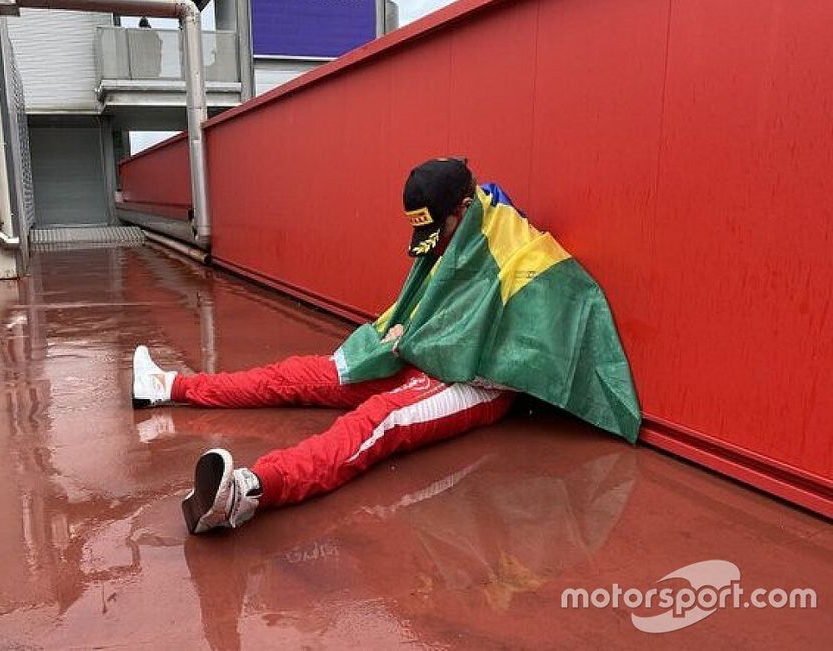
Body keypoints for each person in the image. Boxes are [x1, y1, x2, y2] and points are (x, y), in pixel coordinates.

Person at [133, 157, 641, 534]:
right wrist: (407, 338)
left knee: (374, 421)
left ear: (462, 211)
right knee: (304, 374)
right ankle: (166, 384)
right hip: (420, 356)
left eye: (437, 230)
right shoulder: (451, 232)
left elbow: (559, 320)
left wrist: (425, 341)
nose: (432, 245)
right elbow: (433, 300)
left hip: (472, 383)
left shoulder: (521, 254)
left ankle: (248, 493)